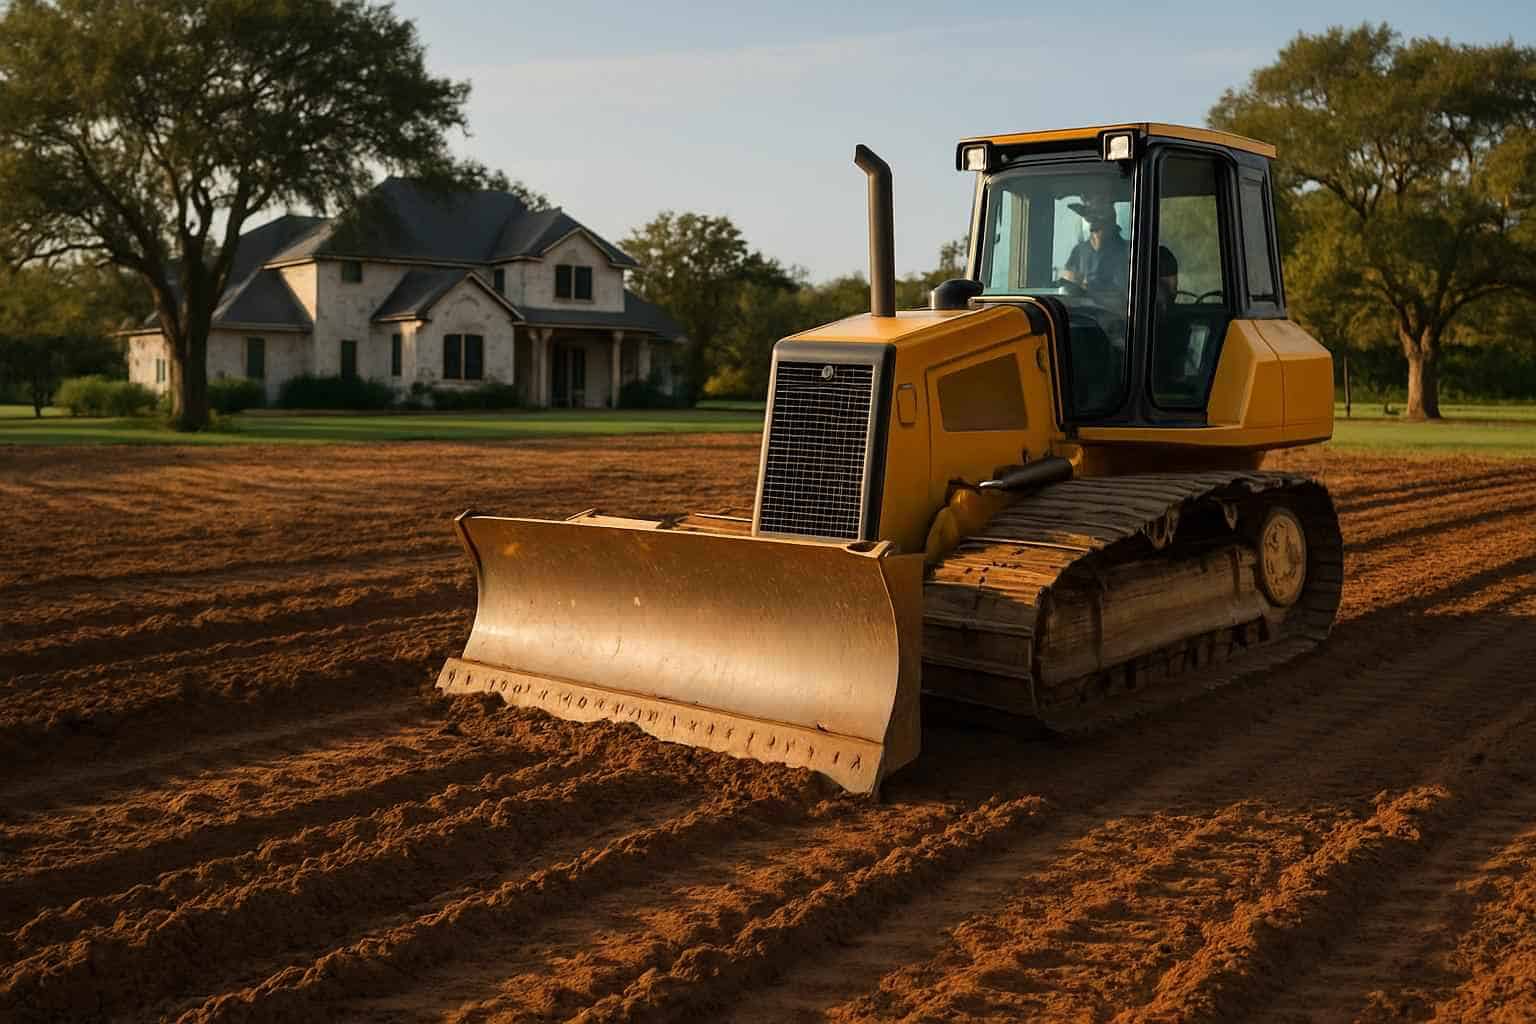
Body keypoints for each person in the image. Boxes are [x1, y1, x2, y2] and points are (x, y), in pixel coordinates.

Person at [1061, 213, 1128, 292]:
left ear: (1112, 228)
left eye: (1100, 227)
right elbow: (1068, 280)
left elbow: (1124, 291)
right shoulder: (1079, 250)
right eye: (1093, 229)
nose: (1095, 234)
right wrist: (1072, 280)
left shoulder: (1128, 250)